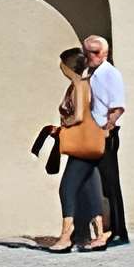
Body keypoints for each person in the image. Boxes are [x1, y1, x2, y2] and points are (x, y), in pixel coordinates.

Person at [44, 45, 107, 253]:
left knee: (67, 188)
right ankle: (99, 235)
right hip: (92, 143)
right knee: (91, 187)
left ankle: (65, 237)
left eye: (63, 64)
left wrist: (64, 126)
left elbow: (78, 116)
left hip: (81, 143)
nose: (61, 68)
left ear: (68, 66)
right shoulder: (91, 84)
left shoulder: (79, 84)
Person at [82, 34, 128, 246]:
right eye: (87, 51)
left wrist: (106, 130)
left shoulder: (110, 74)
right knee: (98, 184)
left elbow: (117, 107)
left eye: (92, 52)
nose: (88, 56)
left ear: (103, 53)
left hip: (106, 135)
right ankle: (104, 229)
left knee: (111, 184)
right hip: (95, 134)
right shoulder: (93, 74)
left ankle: (119, 231)